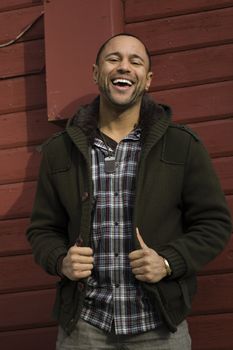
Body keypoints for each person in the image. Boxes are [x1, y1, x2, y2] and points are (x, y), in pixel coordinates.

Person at [26, 33, 232, 350]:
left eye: (135, 61)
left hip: (159, 325)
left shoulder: (181, 144)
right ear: (96, 73)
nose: (124, 67)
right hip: (84, 326)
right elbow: (42, 229)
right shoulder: (59, 151)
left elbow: (215, 223)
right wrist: (60, 260)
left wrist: (168, 262)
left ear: (147, 80)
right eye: (113, 59)